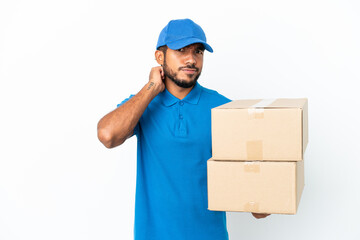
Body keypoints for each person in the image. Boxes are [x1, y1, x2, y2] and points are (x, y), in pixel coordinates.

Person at [97, 18, 269, 240]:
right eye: (181, 50)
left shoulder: (225, 109)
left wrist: (264, 194)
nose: (191, 59)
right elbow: (108, 135)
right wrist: (150, 89)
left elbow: (260, 207)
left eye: (198, 51)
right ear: (160, 57)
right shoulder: (142, 104)